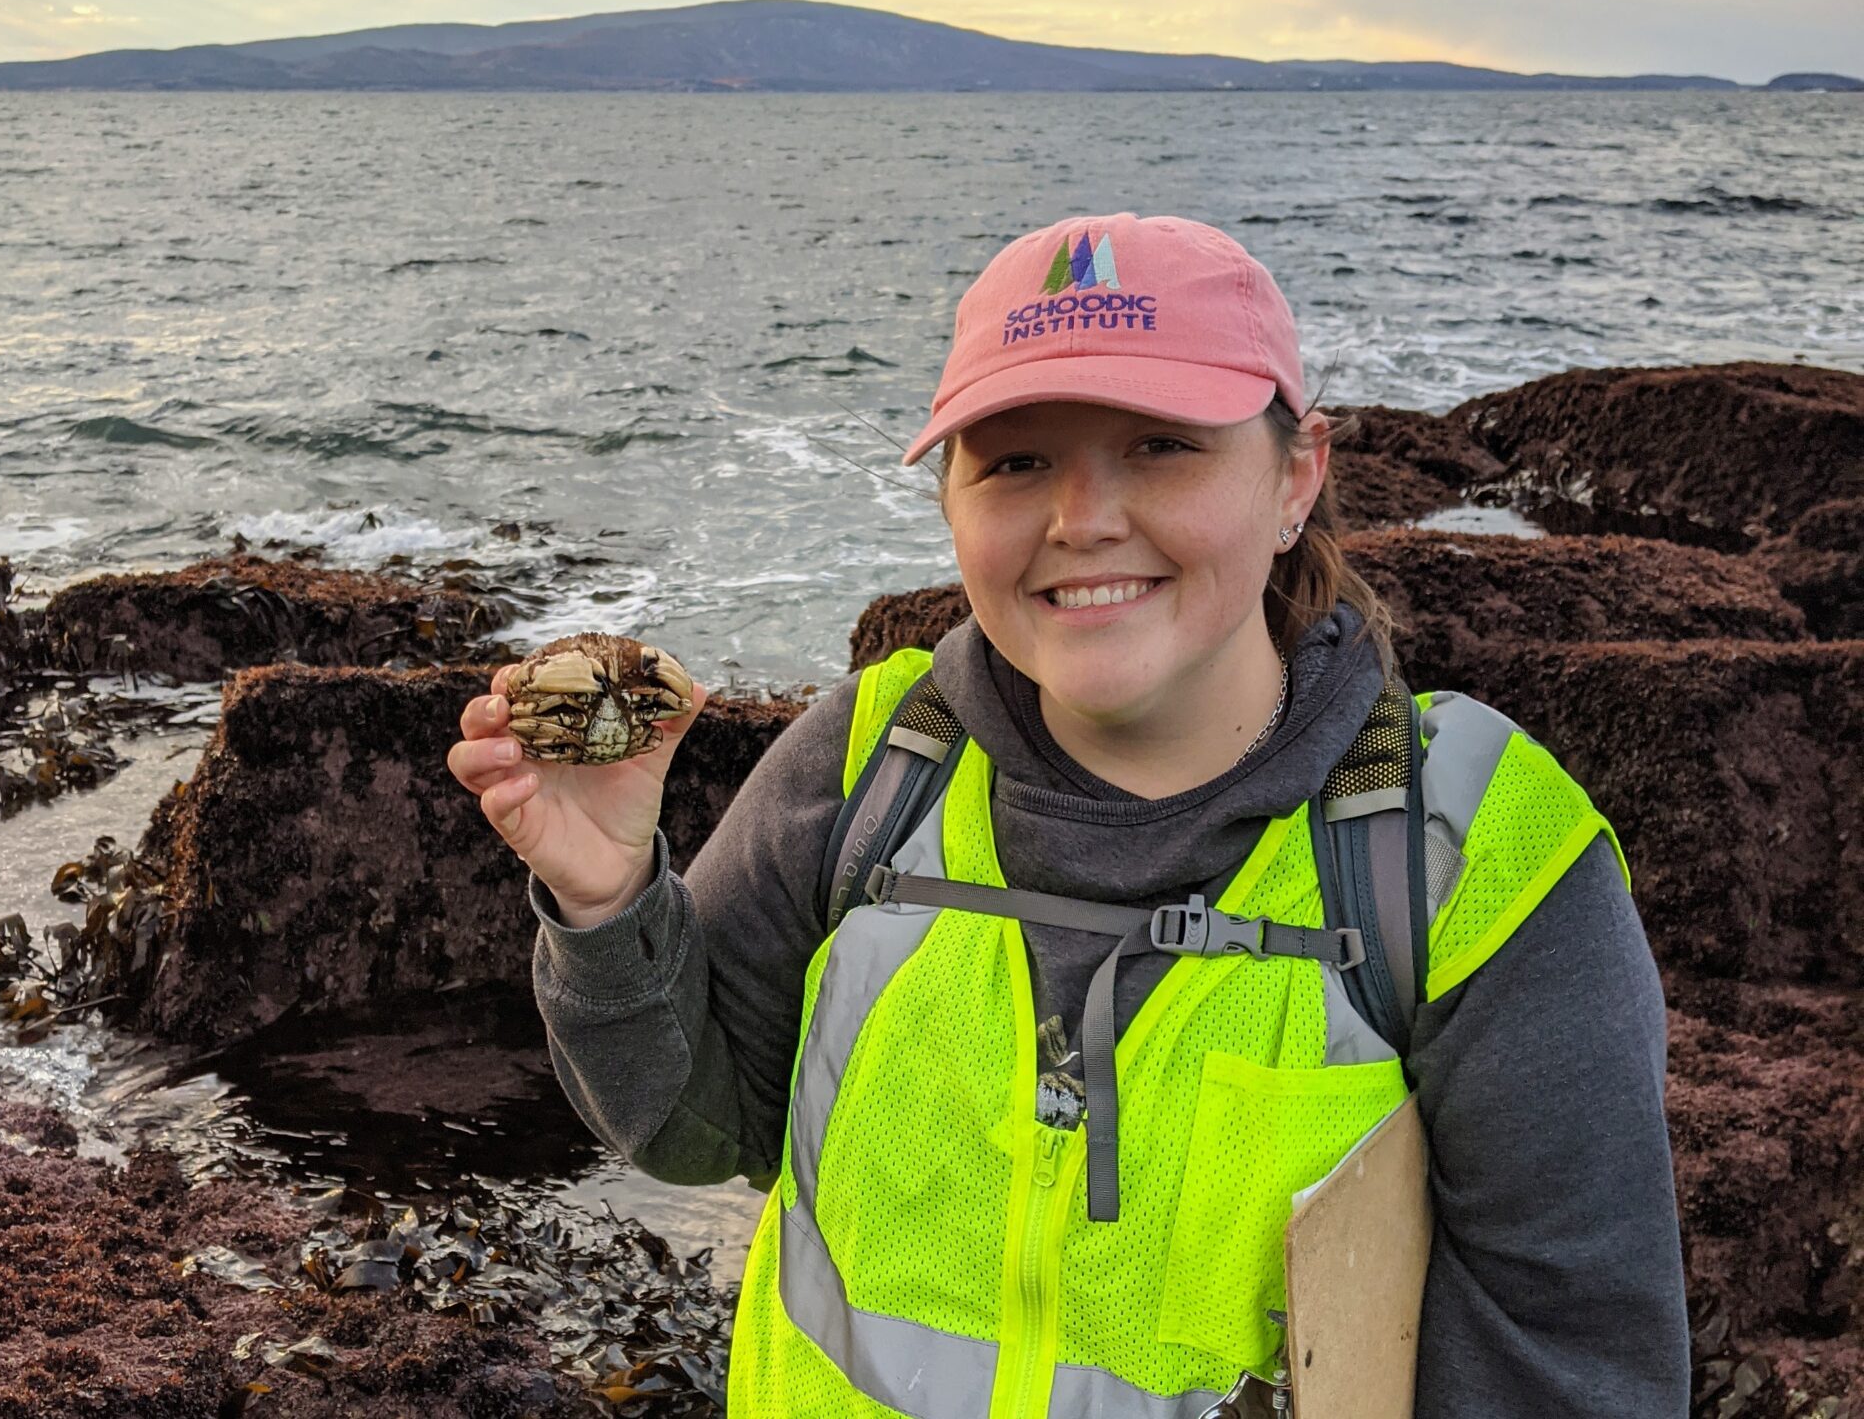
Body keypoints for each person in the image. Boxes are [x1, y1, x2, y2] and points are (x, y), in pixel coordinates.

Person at [447, 211, 1689, 1417]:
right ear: (950, 502)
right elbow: (689, 1127)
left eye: (1159, 444)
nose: (1080, 518)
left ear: (1295, 477)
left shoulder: (1472, 856)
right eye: (1017, 460)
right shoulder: (871, 761)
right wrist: (608, 899)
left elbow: (1567, 1361)